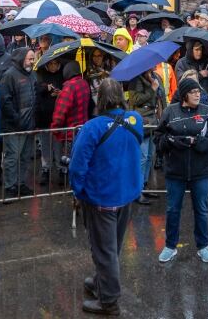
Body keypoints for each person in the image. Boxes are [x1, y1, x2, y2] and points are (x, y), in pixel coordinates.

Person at [70, 78, 144, 315]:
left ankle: (109, 301)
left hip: (101, 196)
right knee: (113, 246)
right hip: (126, 193)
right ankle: (102, 281)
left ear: (98, 98)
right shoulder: (136, 119)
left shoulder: (92, 127)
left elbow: (77, 166)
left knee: (105, 250)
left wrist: (79, 191)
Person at [154, 78, 208, 264]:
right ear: (184, 95)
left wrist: (195, 143)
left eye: (198, 91)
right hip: (175, 172)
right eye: (193, 92)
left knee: (201, 209)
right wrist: (172, 141)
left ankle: (203, 246)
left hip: (201, 172)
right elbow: (158, 138)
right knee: (173, 209)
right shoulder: (170, 111)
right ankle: (170, 246)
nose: (197, 94)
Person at [0, 47, 38, 200]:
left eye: (33, 58)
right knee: (12, 157)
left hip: (29, 124)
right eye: (30, 58)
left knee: (25, 157)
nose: (32, 61)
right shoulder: (10, 75)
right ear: (21, 58)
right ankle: (10, 186)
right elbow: (5, 101)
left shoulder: (32, 75)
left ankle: (21, 183)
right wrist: (17, 119)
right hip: (14, 126)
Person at [50, 61, 90, 187]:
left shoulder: (69, 87)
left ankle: (73, 188)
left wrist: (54, 129)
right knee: (79, 160)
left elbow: (60, 113)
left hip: (69, 133)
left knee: (67, 160)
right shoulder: (84, 83)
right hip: (82, 130)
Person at [127, 69, 165, 204]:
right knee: (142, 158)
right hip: (142, 122)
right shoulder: (135, 80)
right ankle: (137, 190)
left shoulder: (154, 77)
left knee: (149, 156)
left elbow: (161, 98)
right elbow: (135, 99)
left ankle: (144, 186)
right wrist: (152, 89)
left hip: (153, 121)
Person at [35, 59, 64, 186]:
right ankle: (45, 169)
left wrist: (60, 94)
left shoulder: (63, 75)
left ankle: (61, 169)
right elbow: (35, 90)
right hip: (44, 117)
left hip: (58, 117)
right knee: (45, 146)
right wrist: (45, 88)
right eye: (51, 64)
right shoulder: (40, 74)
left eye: (55, 64)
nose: (53, 66)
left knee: (58, 147)